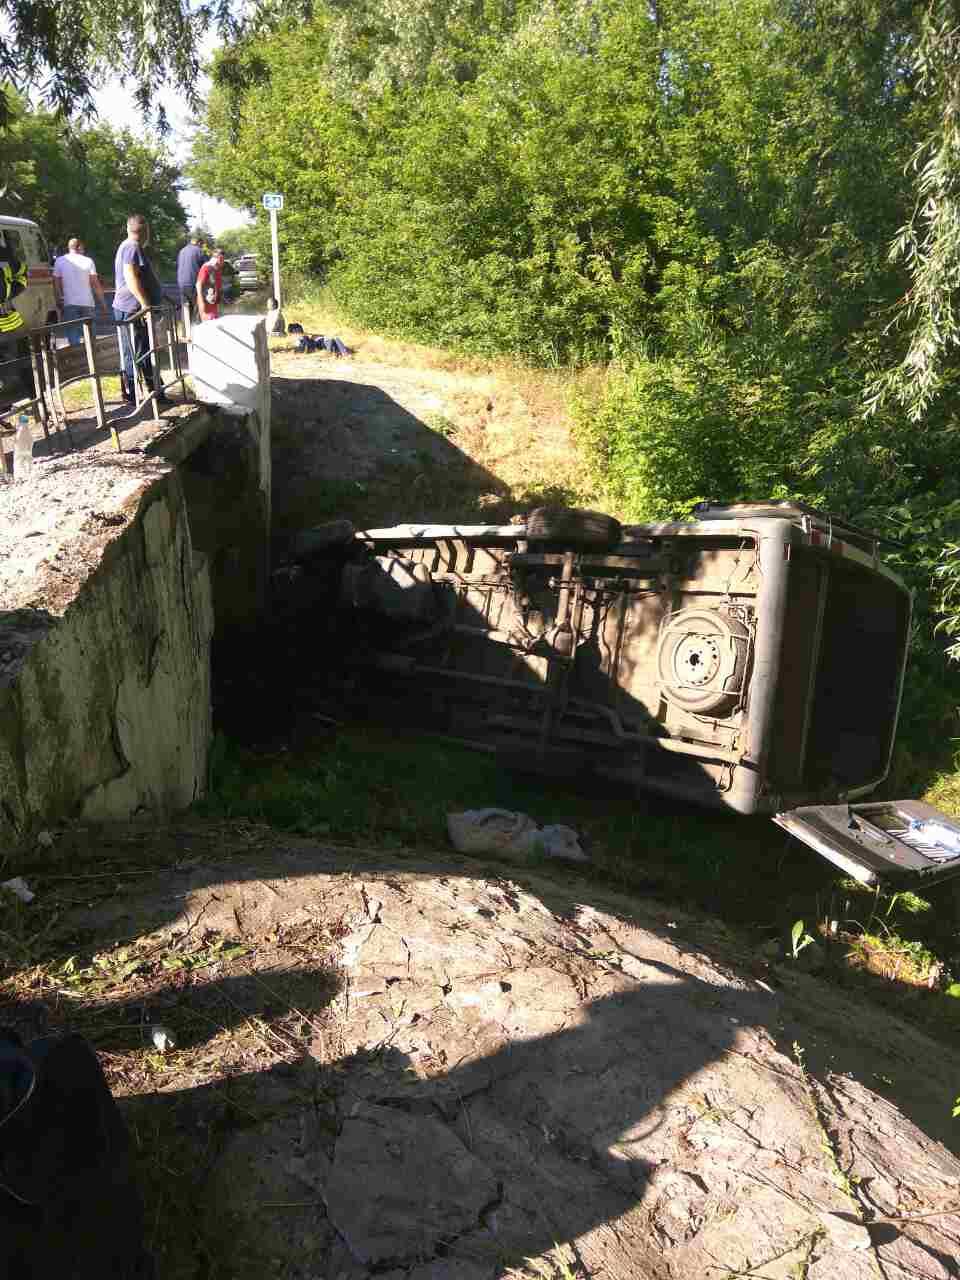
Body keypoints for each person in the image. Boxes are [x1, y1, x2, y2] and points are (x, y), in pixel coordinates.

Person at [112, 214, 170, 406]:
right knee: (136, 352)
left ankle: (153, 390)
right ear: (146, 231)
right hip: (132, 309)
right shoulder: (132, 247)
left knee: (141, 350)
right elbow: (131, 277)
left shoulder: (128, 246)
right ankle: (134, 393)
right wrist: (145, 304)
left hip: (130, 307)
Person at [52, 237, 107, 347]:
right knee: (90, 333)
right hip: (87, 302)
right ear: (80, 247)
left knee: (73, 333)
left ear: (69, 248)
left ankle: (76, 354)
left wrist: (58, 299)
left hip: (69, 302)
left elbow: (56, 283)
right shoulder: (88, 261)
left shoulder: (60, 261)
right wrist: (103, 303)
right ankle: (92, 353)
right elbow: (95, 284)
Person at [176, 231, 206, 321]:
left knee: (186, 308)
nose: (202, 246)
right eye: (202, 244)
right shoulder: (199, 251)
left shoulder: (182, 251)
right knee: (197, 307)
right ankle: (197, 326)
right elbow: (205, 268)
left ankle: (185, 328)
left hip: (181, 283)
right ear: (199, 242)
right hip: (193, 282)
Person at [195, 247, 225, 322]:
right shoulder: (207, 267)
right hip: (206, 306)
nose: (222, 262)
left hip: (214, 304)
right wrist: (202, 306)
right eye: (221, 259)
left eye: (223, 259)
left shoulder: (218, 269)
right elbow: (198, 285)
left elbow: (217, 287)